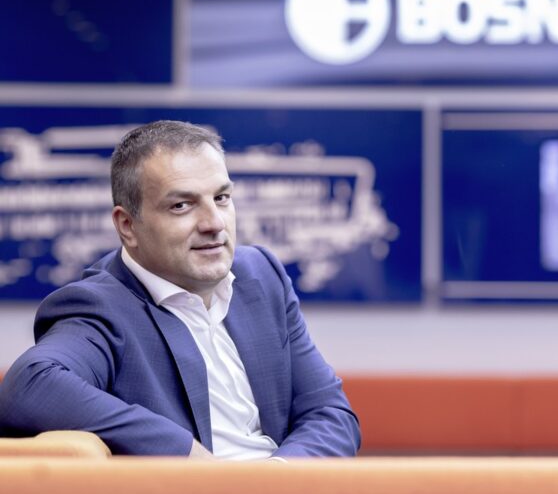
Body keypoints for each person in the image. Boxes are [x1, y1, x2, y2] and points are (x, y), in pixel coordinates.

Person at [0, 120, 360, 459]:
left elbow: (330, 414)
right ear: (127, 226)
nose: (214, 223)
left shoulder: (262, 275)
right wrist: (185, 455)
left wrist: (277, 479)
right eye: (181, 205)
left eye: (221, 198)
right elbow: (28, 387)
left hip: (288, 485)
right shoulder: (100, 306)